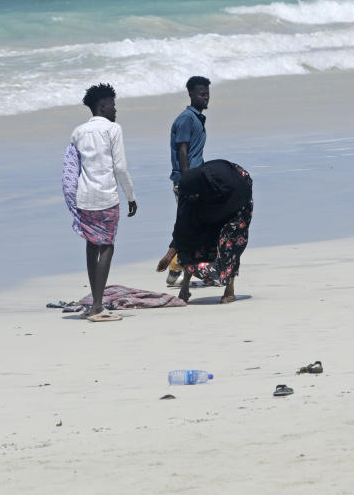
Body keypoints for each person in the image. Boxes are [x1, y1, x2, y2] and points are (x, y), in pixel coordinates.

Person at [64, 83, 138, 321]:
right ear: (102, 106)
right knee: (107, 246)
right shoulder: (113, 129)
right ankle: (97, 304)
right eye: (113, 105)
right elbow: (120, 167)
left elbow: (72, 168)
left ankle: (95, 300)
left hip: (84, 198)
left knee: (91, 245)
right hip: (106, 197)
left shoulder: (78, 132)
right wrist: (131, 196)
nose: (115, 110)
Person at [156, 159, 252, 304]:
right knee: (193, 236)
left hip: (236, 200)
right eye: (189, 196)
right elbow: (182, 226)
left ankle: (229, 289)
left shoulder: (230, 185)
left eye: (193, 196)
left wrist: (215, 224)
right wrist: (169, 255)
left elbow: (229, 229)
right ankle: (185, 288)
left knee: (228, 243)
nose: (191, 198)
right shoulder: (187, 192)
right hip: (210, 198)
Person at [164, 75, 211, 285]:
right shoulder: (186, 119)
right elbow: (182, 151)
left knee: (192, 224)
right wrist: (187, 180)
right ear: (191, 94)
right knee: (191, 225)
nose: (205, 97)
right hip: (187, 181)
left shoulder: (197, 118)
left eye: (207, 94)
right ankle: (176, 268)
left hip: (196, 178)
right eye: (201, 94)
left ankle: (176, 268)